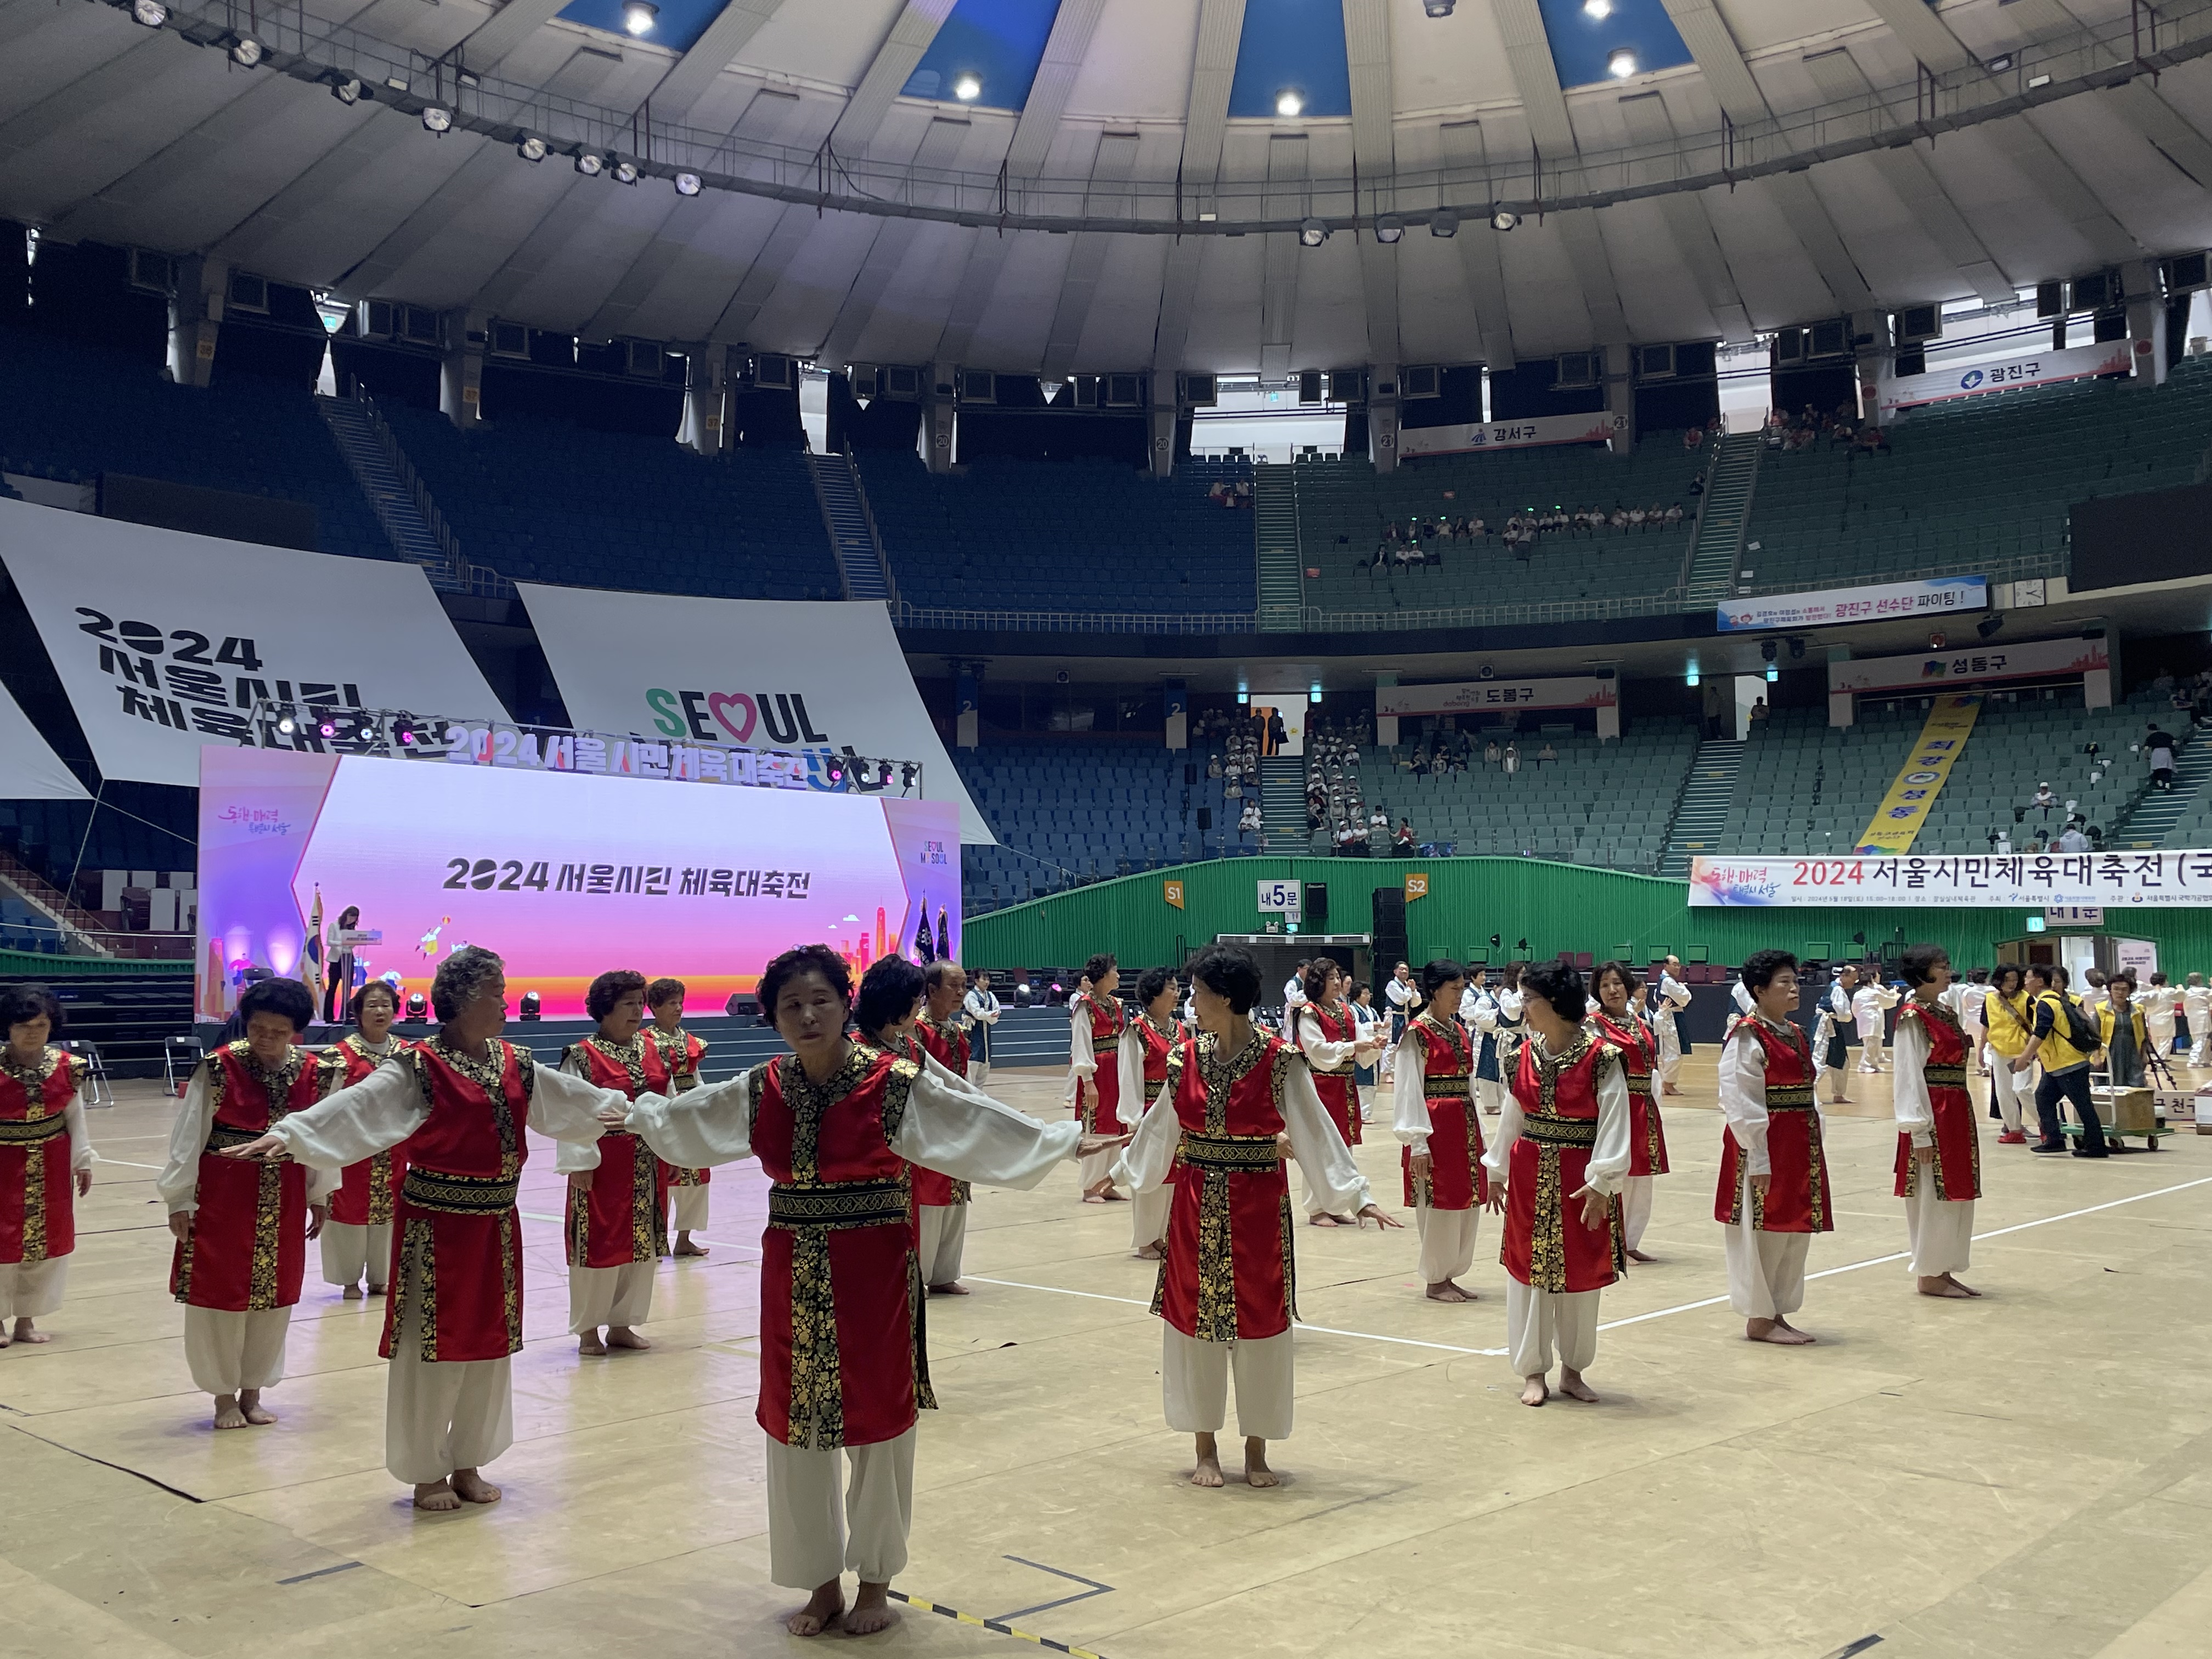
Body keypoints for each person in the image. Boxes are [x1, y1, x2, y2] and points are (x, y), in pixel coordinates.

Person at [617, 944, 1103, 1635]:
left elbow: (969, 1122)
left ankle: (875, 1583)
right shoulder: (765, 1086)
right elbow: (685, 1121)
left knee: (878, 1424)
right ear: (773, 1015)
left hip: (875, 1270)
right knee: (797, 1428)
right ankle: (820, 1586)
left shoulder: (890, 1081)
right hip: (790, 1272)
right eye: (792, 1005)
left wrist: (1057, 1141)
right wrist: (628, 1114)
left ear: (846, 1006)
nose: (808, 1015)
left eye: (821, 1000)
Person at [223, 946, 626, 1508]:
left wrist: (643, 1115)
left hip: (495, 1225)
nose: (505, 1001)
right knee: (431, 1348)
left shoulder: (514, 1062)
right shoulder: (419, 1065)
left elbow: (577, 1103)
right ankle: (426, 1470)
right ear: (462, 1001)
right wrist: (291, 1135)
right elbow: (357, 1108)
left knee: (487, 1347)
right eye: (495, 992)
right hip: (436, 1229)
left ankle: (467, 1460)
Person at [1112, 945, 1396, 1491]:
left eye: (1198, 994)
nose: (1193, 1003)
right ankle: (1205, 1448)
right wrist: (1118, 1169)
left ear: (1225, 997)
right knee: (1196, 1327)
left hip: (1259, 1205)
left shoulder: (1279, 1059)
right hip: (1194, 1206)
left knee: (1261, 1326)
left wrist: (1355, 1195)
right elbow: (1159, 1130)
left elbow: (1314, 1129)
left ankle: (1257, 1450)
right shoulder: (1184, 1059)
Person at [161, 976, 335, 1430]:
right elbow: (188, 1138)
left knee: (274, 1299)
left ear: (296, 1030)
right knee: (219, 1295)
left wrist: (320, 1194)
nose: (267, 1040)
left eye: (279, 1032)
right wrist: (180, 1198)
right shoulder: (218, 1068)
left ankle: (253, 1391)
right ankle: (222, 1396)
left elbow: (322, 1139)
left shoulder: (315, 1073)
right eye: (259, 1029)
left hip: (287, 1194)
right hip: (222, 1196)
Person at [1483, 960, 1632, 1405]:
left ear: (1555, 1003)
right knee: (1529, 1274)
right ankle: (1533, 1371)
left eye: (1530, 999)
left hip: (1580, 1180)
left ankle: (1573, 1369)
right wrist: (1497, 1171)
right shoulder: (1520, 1058)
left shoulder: (1601, 1057)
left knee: (1580, 1276)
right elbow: (1514, 1118)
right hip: (1530, 1177)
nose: (1523, 1007)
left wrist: (1604, 1181)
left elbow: (1615, 1120)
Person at [555, 969, 673, 1356]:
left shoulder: (654, 1050)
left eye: (641, 1003)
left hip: (647, 1163)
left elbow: (670, 1105)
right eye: (628, 1003)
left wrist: (674, 1150)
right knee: (597, 1247)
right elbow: (569, 1113)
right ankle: (589, 1329)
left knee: (641, 1247)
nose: (638, 1011)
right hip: (602, 1165)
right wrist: (579, 1162)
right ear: (606, 1008)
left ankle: (622, 1324)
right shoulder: (582, 1056)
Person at [1716, 951, 1830, 1346]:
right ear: (1759, 991)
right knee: (1763, 1231)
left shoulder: (1795, 1033)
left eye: (1795, 980)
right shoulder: (1747, 1035)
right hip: (1765, 1145)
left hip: (1798, 1142)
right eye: (1784, 982)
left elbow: (1808, 1092)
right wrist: (1758, 1157)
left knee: (1793, 1230)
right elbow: (1739, 1099)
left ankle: (1777, 1311)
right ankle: (1760, 1318)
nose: (1794, 987)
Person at [0, 984, 93, 1348]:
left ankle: (26, 1319)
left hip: (51, 1164)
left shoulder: (67, 1069)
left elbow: (76, 1117)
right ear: (8, 1027)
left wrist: (82, 1161)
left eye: (39, 1025)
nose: (31, 1033)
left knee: (44, 1248)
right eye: (23, 1026)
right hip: (4, 1164)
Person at [1891, 946, 1982, 1301]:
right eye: (1941, 967)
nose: (1948, 972)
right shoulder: (1913, 1016)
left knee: (1955, 1194)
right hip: (1933, 1112)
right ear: (1923, 974)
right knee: (1932, 1192)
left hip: (1957, 1108)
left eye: (1947, 966)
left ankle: (1944, 1269)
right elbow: (1908, 1074)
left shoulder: (1945, 1011)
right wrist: (1918, 1130)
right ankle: (1929, 1273)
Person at [1393, 960, 1487, 1303]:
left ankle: (1449, 1273)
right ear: (1434, 990)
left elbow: (1470, 1085)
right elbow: (1408, 1089)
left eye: (1462, 989)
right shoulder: (1418, 1033)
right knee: (1439, 1204)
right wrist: (1418, 1143)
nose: (1460, 996)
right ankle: (1435, 1279)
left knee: (1465, 1203)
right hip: (1435, 1129)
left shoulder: (1458, 1030)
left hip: (1464, 1125)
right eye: (1454, 989)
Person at [319, 981, 412, 1301]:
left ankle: (381, 1277)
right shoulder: (339, 1056)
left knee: (390, 1212)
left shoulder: (408, 1054)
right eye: (372, 1005)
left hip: (394, 1149)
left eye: (386, 1005)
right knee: (348, 1211)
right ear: (358, 1013)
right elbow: (327, 1106)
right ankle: (348, 1279)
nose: (380, 1011)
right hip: (351, 1149)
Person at [1587, 962, 1667, 1265]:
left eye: (1617, 983)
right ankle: (1611, 1242)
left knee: (1641, 1177)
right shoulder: (1593, 1025)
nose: (1612, 990)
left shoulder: (1639, 1022)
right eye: (1605, 985)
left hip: (1643, 1106)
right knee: (1616, 1173)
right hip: (1615, 1106)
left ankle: (1630, 1241)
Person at [1290, 960, 1381, 1226]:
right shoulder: (1310, 1013)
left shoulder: (1346, 1010)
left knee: (1343, 1146)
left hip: (1344, 1085)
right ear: (1318, 982)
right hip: (1320, 1085)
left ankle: (1335, 1203)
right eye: (1331, 977)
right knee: (1318, 1145)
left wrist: (1373, 1045)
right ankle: (1315, 1207)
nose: (1337, 982)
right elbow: (1317, 1049)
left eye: (1338, 976)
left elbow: (1359, 1043)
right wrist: (1353, 1046)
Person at [912, 961, 975, 1294]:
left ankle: (945, 1273)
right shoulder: (917, 1031)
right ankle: (919, 1274)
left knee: (956, 1198)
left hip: (957, 1123)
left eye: (963, 986)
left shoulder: (955, 1030)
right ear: (932, 990)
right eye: (953, 986)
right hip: (929, 1125)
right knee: (928, 1197)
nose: (961, 992)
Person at [1118, 967, 1187, 1261]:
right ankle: (1146, 1239)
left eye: (1176, 988)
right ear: (1155, 994)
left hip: (1177, 1112)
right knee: (1149, 1175)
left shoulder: (1180, 1028)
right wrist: (1134, 1122)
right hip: (1148, 1112)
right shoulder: (1136, 1031)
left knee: (1172, 1175)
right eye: (1171, 988)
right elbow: (1129, 1078)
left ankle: (1162, 1235)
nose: (1177, 993)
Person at [645, 977, 711, 1257]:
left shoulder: (689, 1040)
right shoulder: (645, 1041)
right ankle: (654, 1241)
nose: (678, 1008)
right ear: (656, 1007)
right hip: (664, 1110)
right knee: (665, 1178)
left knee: (696, 1179)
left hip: (691, 1113)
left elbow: (695, 1076)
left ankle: (684, 1238)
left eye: (680, 1002)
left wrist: (705, 1102)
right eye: (672, 1003)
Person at [2016, 964, 2107, 1158]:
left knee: (2082, 1104)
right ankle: (2055, 1140)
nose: (2025, 981)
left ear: (2039, 981)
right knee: (2044, 1097)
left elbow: (2041, 1032)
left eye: (2028, 977)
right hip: (2058, 1064)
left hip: (2068, 1064)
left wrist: (2024, 1057)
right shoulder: (2054, 1000)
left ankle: (2096, 1146)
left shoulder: (2046, 1003)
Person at [1065, 953, 1128, 1201]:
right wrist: (1088, 1081)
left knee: (1115, 1126)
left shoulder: (1116, 1004)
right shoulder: (1085, 1006)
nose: (1119, 975)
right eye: (1115, 970)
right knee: (1096, 1126)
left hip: (1117, 1069)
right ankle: (1090, 1185)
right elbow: (1080, 1044)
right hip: (1099, 1072)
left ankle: (1106, 1182)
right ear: (1103, 976)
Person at [1982, 965, 2034, 1144]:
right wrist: (1981, 1051)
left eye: (2014, 980)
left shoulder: (2027, 999)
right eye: (2007, 980)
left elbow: (2037, 1026)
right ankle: (2014, 1130)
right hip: (1998, 1050)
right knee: (2004, 1093)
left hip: (2022, 1051)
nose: (2012, 984)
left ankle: (2047, 1125)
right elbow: (1986, 1026)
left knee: (2022, 1089)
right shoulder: (1989, 999)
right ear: (1999, 981)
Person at [1464, 965, 1505, 1118]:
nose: (1483, 977)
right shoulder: (1477, 996)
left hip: (1497, 1036)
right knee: (1486, 1069)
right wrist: (1496, 1014)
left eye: (1484, 975)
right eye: (1481, 975)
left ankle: (1500, 1101)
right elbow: (1469, 1013)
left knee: (1498, 1071)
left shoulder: (1488, 995)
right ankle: (1490, 1104)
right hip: (1482, 1034)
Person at [2098, 972, 2149, 1088]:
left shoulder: (2138, 1011)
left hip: (2133, 1053)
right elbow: (2093, 1037)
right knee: (2109, 1086)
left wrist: (2144, 1055)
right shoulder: (2100, 1010)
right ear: (2110, 990)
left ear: (2130, 991)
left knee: (2136, 1085)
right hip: (2109, 1054)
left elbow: (2144, 1036)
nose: (2120, 993)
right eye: (2116, 989)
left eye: (2124, 990)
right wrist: (2096, 1057)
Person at [1650, 956, 1692, 1096]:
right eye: (1674, 964)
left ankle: (1669, 1083)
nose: (1677, 967)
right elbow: (1685, 998)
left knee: (1674, 1051)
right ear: (1666, 965)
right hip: (1671, 1019)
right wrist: (1683, 987)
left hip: (1672, 1017)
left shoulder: (1664, 980)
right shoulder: (1668, 981)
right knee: (1674, 1052)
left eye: (1679, 965)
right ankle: (1668, 1083)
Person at [1814, 965, 1855, 1104]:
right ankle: (1811, 1093)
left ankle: (1839, 1094)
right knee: (1821, 1058)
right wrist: (1849, 1017)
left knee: (1842, 1061)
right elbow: (1844, 1014)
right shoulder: (1837, 989)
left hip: (1833, 1025)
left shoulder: (1835, 987)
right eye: (1853, 979)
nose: (1854, 982)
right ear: (1844, 976)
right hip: (1825, 1027)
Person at [1853, 969, 1899, 1073]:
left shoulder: (1858, 994)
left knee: (1873, 1044)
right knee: (1871, 1044)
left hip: (1863, 1021)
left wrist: (1860, 1017)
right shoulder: (1874, 993)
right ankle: (1864, 1065)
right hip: (1872, 1021)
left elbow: (1854, 1009)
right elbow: (1887, 1002)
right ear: (1871, 981)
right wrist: (1896, 997)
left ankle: (1874, 1064)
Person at [324, 904, 363, 1024]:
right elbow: (329, 941)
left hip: (348, 958)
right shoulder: (334, 926)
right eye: (351, 917)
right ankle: (328, 1016)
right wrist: (343, 942)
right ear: (346, 915)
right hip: (337, 960)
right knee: (332, 988)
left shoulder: (352, 930)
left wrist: (351, 942)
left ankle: (345, 1015)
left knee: (347, 989)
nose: (351, 920)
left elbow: (352, 944)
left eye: (354, 918)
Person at [962, 969, 1002, 1084]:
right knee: (973, 1061)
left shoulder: (990, 995)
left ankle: (979, 1094)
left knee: (985, 1063)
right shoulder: (971, 996)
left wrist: (990, 1015)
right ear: (976, 980)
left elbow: (997, 1011)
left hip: (985, 1031)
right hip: (973, 1031)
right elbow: (977, 1014)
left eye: (988, 979)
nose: (986, 982)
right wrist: (990, 1015)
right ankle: (969, 1095)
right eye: (984, 979)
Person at [2141, 971, 2180, 1065]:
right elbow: (2181, 997)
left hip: (2153, 1021)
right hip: (2166, 1021)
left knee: (2157, 1043)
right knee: (2166, 1043)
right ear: (2164, 981)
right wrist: (2180, 988)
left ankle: (2160, 1062)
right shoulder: (2169, 991)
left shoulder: (2150, 993)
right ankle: (2160, 1063)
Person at [2187, 972, 2212, 1066]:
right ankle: (2194, 1061)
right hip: (2202, 1018)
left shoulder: (2187, 992)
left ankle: (2204, 1060)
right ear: (2199, 981)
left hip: (2192, 1018)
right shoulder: (2203, 991)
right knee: (2202, 1040)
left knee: (2203, 1040)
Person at [2146, 724, 2177, 791]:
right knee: (2167, 770)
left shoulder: (2150, 737)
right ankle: (2168, 785)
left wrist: (2146, 756)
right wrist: (2172, 747)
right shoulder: (2165, 735)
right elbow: (2174, 741)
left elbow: (2147, 748)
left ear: (2149, 730)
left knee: (2157, 771)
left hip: (2157, 753)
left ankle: (2161, 785)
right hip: (2167, 752)